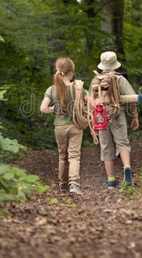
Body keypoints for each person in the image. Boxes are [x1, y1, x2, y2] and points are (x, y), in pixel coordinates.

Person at [91, 51, 139, 189]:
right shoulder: (119, 79)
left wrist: (93, 120)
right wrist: (135, 116)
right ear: (115, 64)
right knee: (122, 143)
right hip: (117, 114)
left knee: (106, 147)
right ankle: (127, 168)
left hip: (101, 117)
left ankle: (111, 181)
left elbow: (91, 102)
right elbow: (132, 98)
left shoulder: (96, 80)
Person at [40, 57, 86, 195]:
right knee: (74, 156)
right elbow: (92, 104)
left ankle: (62, 184)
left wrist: (53, 109)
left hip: (59, 127)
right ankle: (74, 184)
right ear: (71, 72)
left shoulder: (52, 89)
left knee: (62, 156)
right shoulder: (78, 88)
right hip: (75, 126)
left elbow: (43, 108)